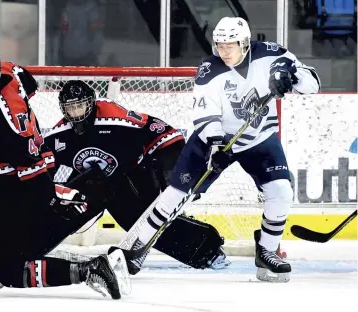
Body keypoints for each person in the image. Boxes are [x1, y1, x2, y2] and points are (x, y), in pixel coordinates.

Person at [120, 17, 320, 283]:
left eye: (230, 45)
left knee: (281, 191)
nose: (223, 51)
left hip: (258, 139)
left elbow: (313, 85)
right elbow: (206, 115)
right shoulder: (209, 70)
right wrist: (215, 146)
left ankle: (267, 253)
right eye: (219, 45)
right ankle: (135, 249)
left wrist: (292, 75)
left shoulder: (271, 55)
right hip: (213, 141)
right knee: (175, 195)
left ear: (245, 43)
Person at [0, 46, 128, 298]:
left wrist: (48, 201)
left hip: (14, 190)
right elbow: (27, 80)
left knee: (9, 272)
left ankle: (91, 269)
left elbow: (30, 167)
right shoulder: (8, 73)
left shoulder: (5, 123)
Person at [43, 80, 229, 275]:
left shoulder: (116, 120)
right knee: (75, 205)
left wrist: (173, 175)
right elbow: (46, 168)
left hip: (144, 169)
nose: (76, 113)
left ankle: (207, 249)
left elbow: (165, 137)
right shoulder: (59, 135)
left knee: (136, 216)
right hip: (109, 184)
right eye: (70, 108)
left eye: (80, 106)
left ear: (91, 103)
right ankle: (32, 249)